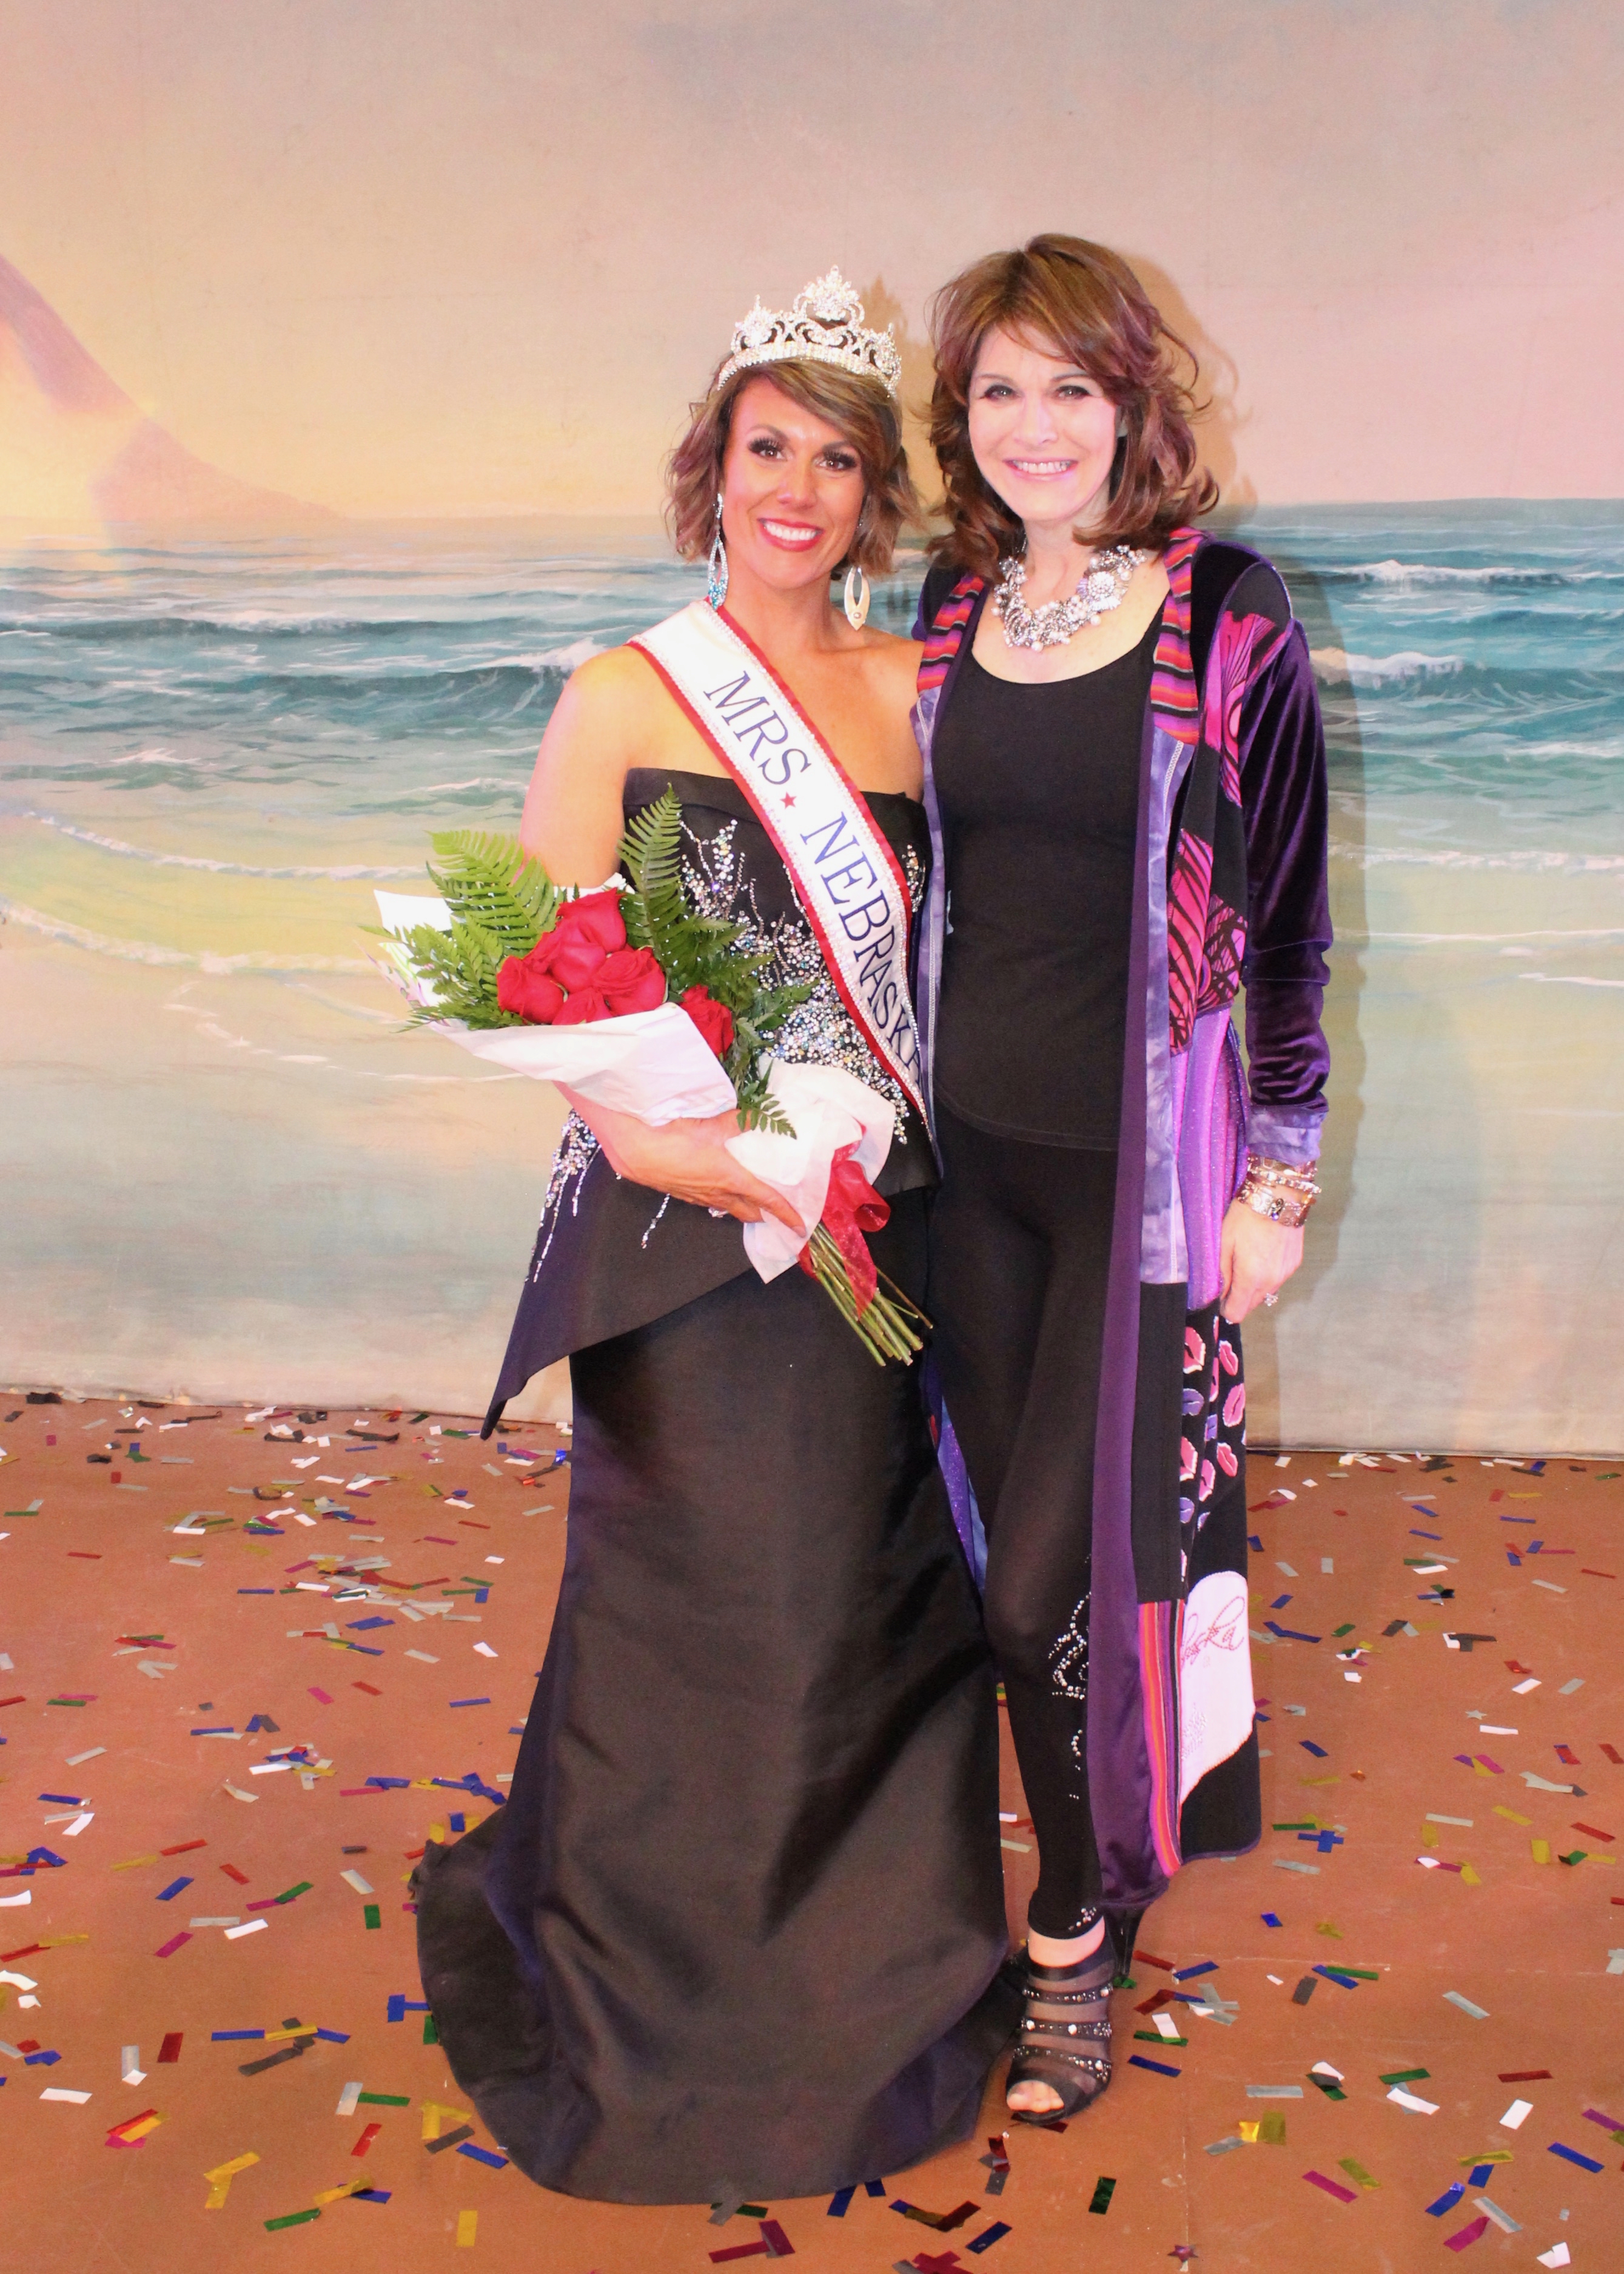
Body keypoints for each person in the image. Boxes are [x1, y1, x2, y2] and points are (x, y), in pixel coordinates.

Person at [414, 271, 1019, 2205]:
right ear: (714, 466)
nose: (798, 490)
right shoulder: (624, 691)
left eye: (838, 459)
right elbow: (537, 970)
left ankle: (875, 1974)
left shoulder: (916, 691)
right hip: (686, 1233)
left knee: (871, 1599)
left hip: (877, 1225)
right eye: (770, 448)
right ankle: (663, 1994)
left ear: (876, 493)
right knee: (703, 1599)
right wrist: (699, 1158)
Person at [910, 235, 1332, 2119]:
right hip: (968, 1172)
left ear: (1132, 401)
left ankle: (1074, 1934)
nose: (1035, 426)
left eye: (1069, 387)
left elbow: (1293, 917)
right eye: (1000, 390)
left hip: (1140, 1189)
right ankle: (1086, 1868)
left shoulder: (1228, 612)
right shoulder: (952, 610)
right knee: (1004, 1569)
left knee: (1049, 1593)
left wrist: (1282, 1175)